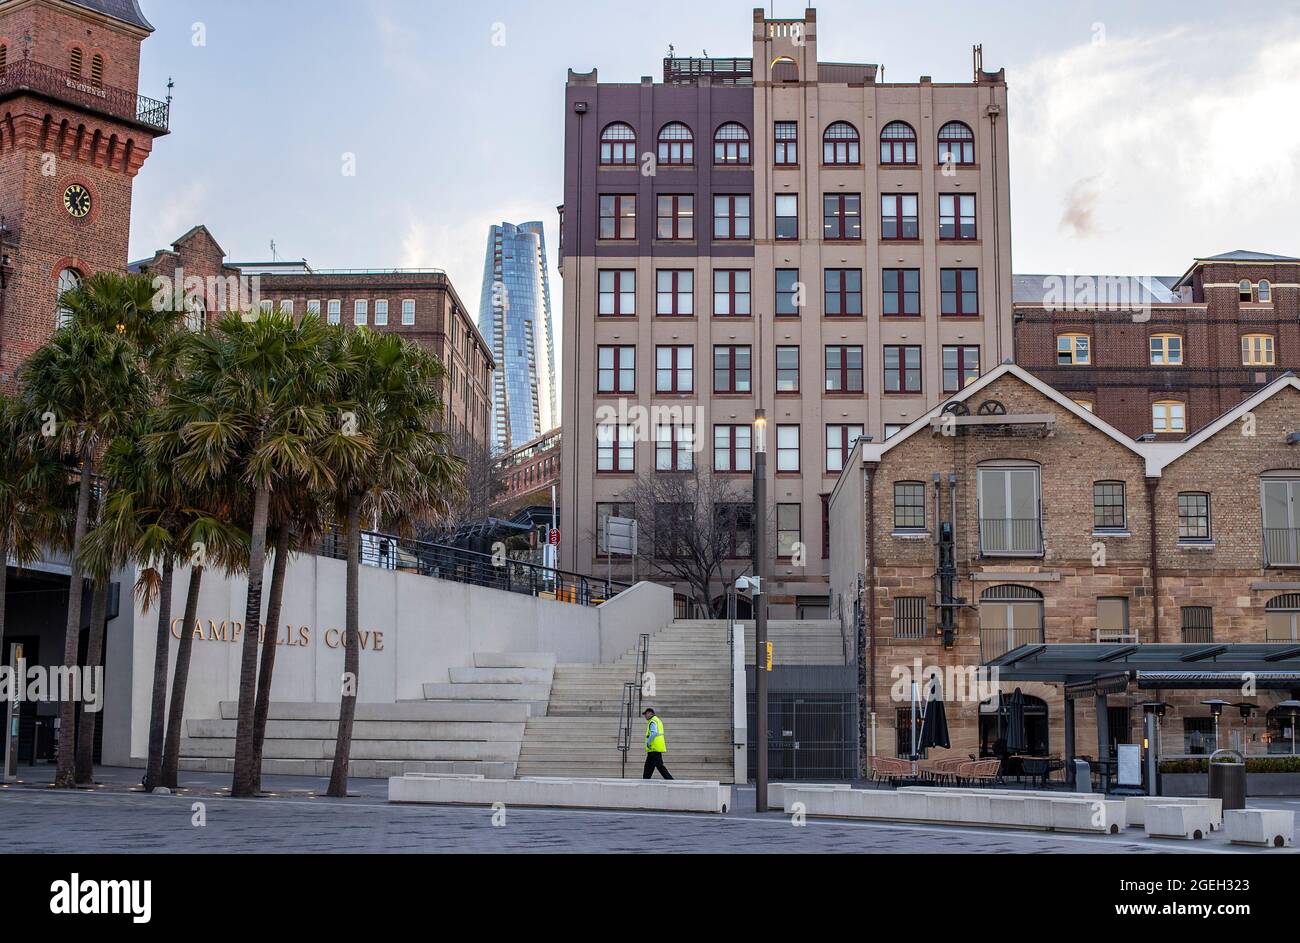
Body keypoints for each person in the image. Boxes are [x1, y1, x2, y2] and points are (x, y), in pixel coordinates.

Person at [642, 707, 673, 780]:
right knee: (648, 766)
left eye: (646, 714)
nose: (645, 716)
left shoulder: (653, 721)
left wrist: (649, 743)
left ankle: (670, 780)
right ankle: (645, 779)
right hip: (653, 749)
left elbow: (654, 733)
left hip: (654, 748)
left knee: (659, 766)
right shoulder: (656, 720)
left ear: (650, 713)